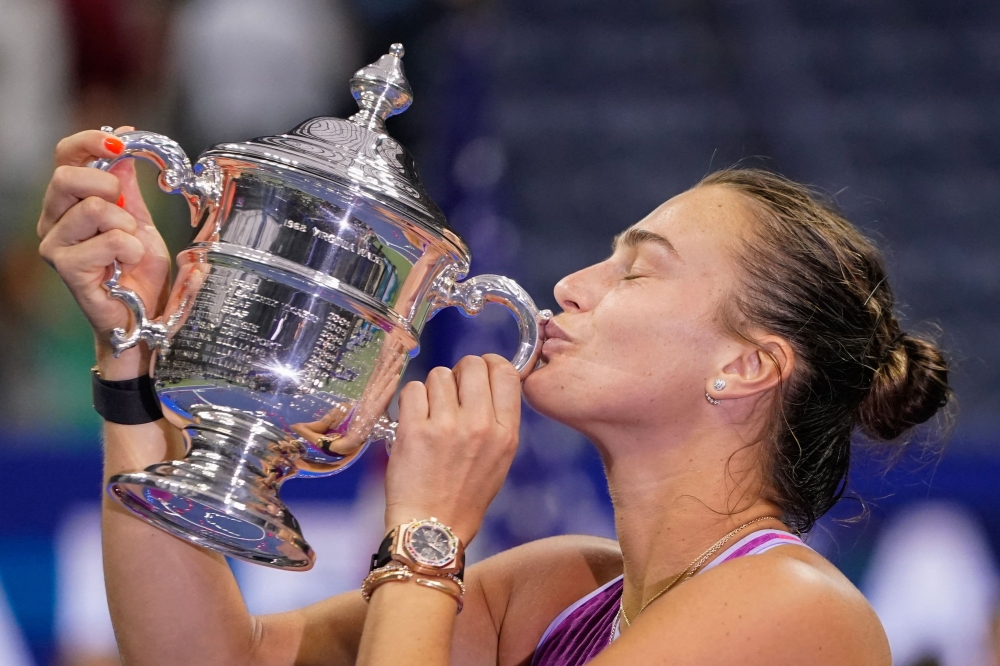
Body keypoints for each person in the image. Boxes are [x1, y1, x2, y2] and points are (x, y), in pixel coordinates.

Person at [37, 128, 951, 665]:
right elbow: (206, 658)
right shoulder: (560, 586)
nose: (575, 285)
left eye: (638, 271)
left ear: (746, 367)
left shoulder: (795, 609)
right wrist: (132, 343)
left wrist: (427, 535)